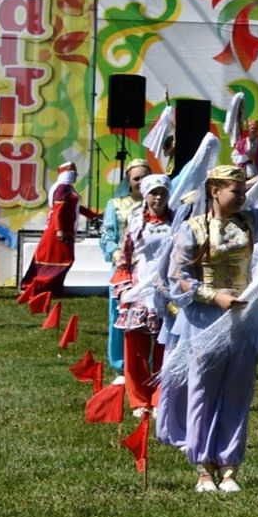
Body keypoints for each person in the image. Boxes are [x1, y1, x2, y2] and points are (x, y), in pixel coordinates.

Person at [164, 164, 258, 493]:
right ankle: (203, 468)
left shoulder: (250, 223)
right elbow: (177, 277)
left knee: (237, 393)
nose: (242, 198)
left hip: (243, 323)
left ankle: (230, 466)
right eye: (236, 191)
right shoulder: (193, 229)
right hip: (205, 322)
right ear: (214, 191)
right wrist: (213, 296)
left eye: (244, 192)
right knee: (202, 393)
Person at [115, 172, 175, 417]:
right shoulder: (136, 222)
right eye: (153, 193)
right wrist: (123, 285)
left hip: (168, 289)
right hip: (141, 288)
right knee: (136, 346)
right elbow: (125, 256)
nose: (158, 198)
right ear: (145, 195)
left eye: (162, 193)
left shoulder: (177, 222)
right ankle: (139, 400)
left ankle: (160, 397)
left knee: (166, 347)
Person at [100, 160, 152, 373]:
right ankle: (120, 363)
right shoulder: (116, 204)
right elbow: (107, 235)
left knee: (149, 314)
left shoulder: (157, 204)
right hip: (123, 269)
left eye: (144, 177)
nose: (140, 182)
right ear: (128, 182)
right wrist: (117, 255)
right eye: (136, 178)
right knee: (119, 313)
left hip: (148, 268)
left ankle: (148, 361)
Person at [21, 162, 98, 301]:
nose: (76, 176)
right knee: (59, 259)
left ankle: (54, 287)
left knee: (63, 259)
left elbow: (77, 207)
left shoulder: (68, 189)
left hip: (66, 229)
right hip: (59, 230)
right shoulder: (62, 188)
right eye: (73, 173)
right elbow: (58, 211)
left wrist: (93, 216)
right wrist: (59, 230)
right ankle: (40, 286)